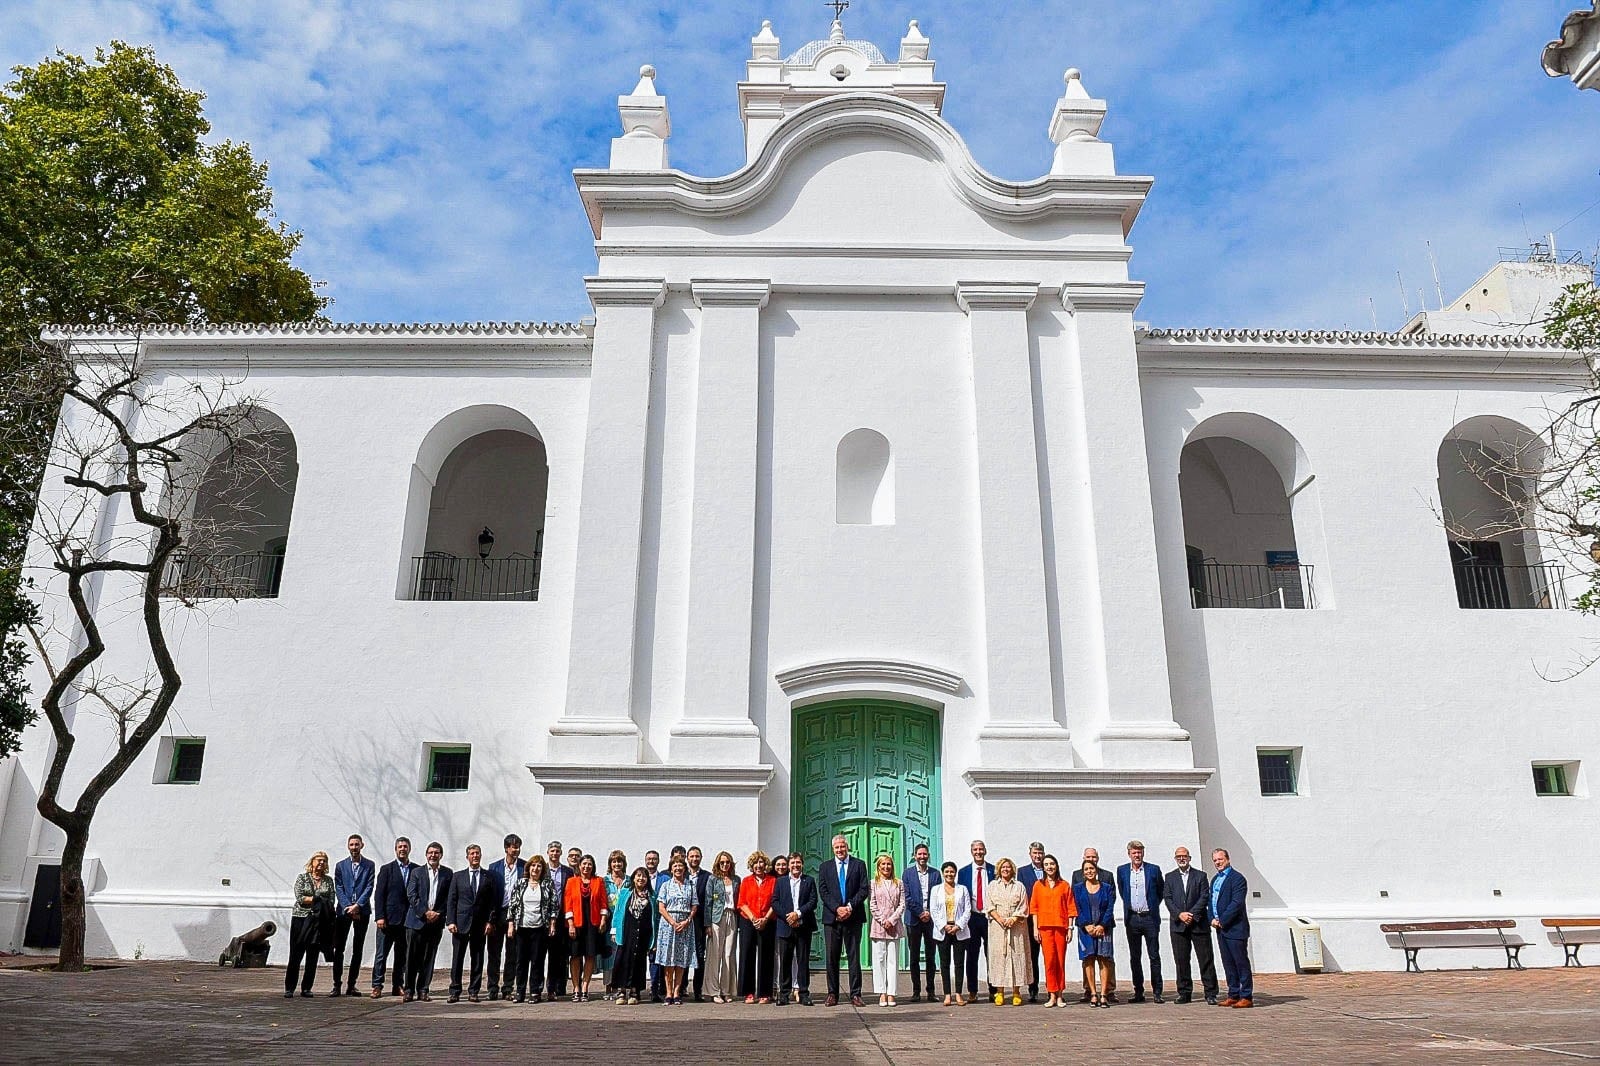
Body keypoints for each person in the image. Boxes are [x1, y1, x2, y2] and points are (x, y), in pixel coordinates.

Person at [818, 834, 869, 1007]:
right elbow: (823, 891)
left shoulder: (859, 865)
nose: (840, 850)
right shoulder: (825, 867)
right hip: (832, 919)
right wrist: (837, 908)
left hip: (853, 917)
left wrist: (848, 907)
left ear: (847, 847)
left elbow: (864, 889)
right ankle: (832, 993)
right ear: (833, 849)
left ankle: (856, 994)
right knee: (832, 958)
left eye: (842, 847)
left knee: (854, 957)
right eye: (837, 847)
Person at [1164, 846, 1218, 1005]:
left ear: (1189, 858)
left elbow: (1204, 896)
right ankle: (1184, 992)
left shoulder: (1200, 876)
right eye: (1178, 856)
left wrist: (1191, 914)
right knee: (1181, 961)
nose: (1182, 859)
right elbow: (1168, 898)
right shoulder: (1170, 877)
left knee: (1206, 959)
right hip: (1178, 925)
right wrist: (1180, 914)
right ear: (1175, 858)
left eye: (1184, 856)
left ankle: (1210, 992)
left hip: (1198, 924)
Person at [446, 843, 498, 1003]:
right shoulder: (458, 876)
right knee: (457, 959)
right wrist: (451, 921)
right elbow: (452, 900)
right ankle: (455, 990)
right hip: (460, 924)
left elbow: (492, 902)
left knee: (477, 959)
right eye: (472, 853)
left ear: (481, 855)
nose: (475, 856)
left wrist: (490, 921)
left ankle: (474, 991)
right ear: (467, 856)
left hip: (479, 925)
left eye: (478, 853)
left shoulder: (488, 877)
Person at [1116, 839, 1165, 1004]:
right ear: (1129, 853)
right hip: (1132, 919)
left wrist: (1150, 906)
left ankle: (1157, 991)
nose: (1137, 855)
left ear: (1143, 853)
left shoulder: (1153, 870)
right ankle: (1138, 991)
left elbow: (1160, 892)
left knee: (1154, 956)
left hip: (1149, 918)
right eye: (1134, 852)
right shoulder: (1122, 871)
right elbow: (1123, 892)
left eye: (1139, 852)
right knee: (1135, 957)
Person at [403, 841, 451, 1001]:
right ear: (426, 854)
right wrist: (425, 912)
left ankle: (423, 989)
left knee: (429, 957)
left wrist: (438, 913)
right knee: (411, 957)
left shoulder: (447, 874)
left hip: (435, 923)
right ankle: (409, 990)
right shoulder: (416, 872)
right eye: (430, 852)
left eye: (436, 852)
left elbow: (449, 898)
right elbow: (411, 895)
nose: (433, 855)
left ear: (441, 855)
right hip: (416, 922)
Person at [285, 850, 335, 998]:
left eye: (324, 861)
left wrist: (315, 900)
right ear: (312, 862)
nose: (321, 863)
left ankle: (306, 987)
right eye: (318, 860)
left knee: (312, 955)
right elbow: (300, 897)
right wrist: (319, 900)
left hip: (319, 922)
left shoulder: (328, 881)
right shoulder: (302, 878)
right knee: (296, 954)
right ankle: (289, 987)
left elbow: (331, 900)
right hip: (301, 919)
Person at [370, 836, 416, 999]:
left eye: (405, 846)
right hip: (387, 921)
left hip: (406, 921)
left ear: (409, 849)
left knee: (401, 956)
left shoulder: (416, 870)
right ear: (395, 850)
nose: (402, 849)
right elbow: (379, 894)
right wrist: (380, 916)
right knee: (381, 954)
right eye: (399, 847)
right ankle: (377, 985)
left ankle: (398, 985)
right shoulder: (386, 869)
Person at [1027, 854, 1075, 1008]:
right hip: (1045, 928)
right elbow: (1034, 908)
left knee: (1060, 961)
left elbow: (1071, 909)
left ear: (1056, 866)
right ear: (1043, 867)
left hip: (1061, 928)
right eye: (1046, 864)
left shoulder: (1064, 885)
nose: (1049, 867)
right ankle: (1052, 994)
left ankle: (1060, 995)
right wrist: (1035, 928)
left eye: (1052, 864)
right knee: (1049, 962)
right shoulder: (1038, 885)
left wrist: (1070, 928)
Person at [330, 834, 374, 997]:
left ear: (362, 845)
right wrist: (348, 906)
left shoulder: (369, 865)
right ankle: (336, 984)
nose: (354, 847)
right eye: (351, 845)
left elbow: (369, 887)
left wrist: (358, 906)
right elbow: (339, 887)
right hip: (343, 912)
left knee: (358, 949)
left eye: (357, 844)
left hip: (362, 911)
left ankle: (351, 985)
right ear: (348, 847)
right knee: (339, 949)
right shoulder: (341, 866)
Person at [1072, 847, 1118, 1003]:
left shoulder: (1107, 880)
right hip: (1086, 929)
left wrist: (1102, 925)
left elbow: (1111, 903)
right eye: (1088, 860)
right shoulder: (1077, 881)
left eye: (1093, 861)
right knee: (1088, 959)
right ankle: (1090, 992)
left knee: (1105, 959)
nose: (1090, 869)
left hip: (1104, 927)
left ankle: (1106, 993)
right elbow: (1076, 905)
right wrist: (1086, 925)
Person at [509, 853, 556, 1003]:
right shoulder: (520, 883)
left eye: (539, 866)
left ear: (543, 870)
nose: (535, 869)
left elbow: (554, 906)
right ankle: (520, 991)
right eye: (533, 866)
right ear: (528, 868)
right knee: (521, 961)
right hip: (522, 928)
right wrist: (511, 924)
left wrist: (552, 924)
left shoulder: (547, 884)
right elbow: (513, 905)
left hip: (540, 928)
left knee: (537, 960)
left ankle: (535, 991)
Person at [773, 850, 816, 1006]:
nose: (796, 865)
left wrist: (797, 914)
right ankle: (784, 993)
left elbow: (813, 901)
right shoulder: (781, 881)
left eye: (798, 862)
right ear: (789, 865)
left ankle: (804, 993)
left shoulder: (809, 880)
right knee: (785, 960)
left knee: (803, 960)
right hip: (785, 926)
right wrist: (788, 917)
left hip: (803, 925)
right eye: (793, 863)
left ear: (802, 864)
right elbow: (775, 902)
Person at [1210, 849, 1252, 1008]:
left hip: (1235, 928)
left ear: (1227, 859)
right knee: (1228, 963)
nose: (1217, 862)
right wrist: (1211, 919)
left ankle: (1246, 995)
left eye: (1220, 859)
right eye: (1215, 860)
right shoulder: (1215, 879)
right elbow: (1211, 902)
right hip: (1221, 929)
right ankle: (1233, 993)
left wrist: (1223, 920)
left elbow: (1236, 903)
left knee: (1240, 962)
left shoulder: (1237, 879)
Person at [985, 857, 1030, 1006]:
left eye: (1008, 867)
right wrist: (999, 919)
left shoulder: (1019, 886)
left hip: (1016, 927)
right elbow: (989, 905)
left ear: (1012, 869)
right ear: (998, 869)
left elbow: (1023, 906)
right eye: (1003, 867)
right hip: (998, 928)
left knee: (1016, 957)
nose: (1006, 869)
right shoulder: (992, 886)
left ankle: (1016, 991)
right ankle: (1000, 992)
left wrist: (1013, 918)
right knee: (999, 958)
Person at [564, 853, 609, 1001]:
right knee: (575, 955)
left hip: (592, 924)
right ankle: (576, 987)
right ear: (579, 865)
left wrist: (603, 920)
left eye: (589, 864)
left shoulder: (599, 881)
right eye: (584, 864)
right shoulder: (571, 881)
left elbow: (603, 903)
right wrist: (570, 923)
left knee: (590, 955)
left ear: (593, 866)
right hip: (576, 924)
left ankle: (585, 987)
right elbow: (568, 904)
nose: (586, 866)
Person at [655, 855, 699, 1004]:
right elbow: (661, 907)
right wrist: (673, 922)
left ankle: (676, 992)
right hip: (668, 924)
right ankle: (668, 992)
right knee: (669, 959)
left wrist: (687, 921)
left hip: (685, 925)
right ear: (671, 869)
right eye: (675, 866)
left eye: (680, 866)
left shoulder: (690, 886)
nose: (678, 868)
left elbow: (694, 906)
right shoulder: (666, 885)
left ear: (684, 869)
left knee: (681, 960)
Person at [486, 833, 525, 1001]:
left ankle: (508, 987)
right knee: (494, 953)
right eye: (512, 846)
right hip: (498, 913)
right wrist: (489, 918)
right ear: (506, 848)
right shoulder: (494, 867)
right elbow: (489, 893)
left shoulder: (524, 867)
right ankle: (492, 987)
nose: (515, 850)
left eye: (517, 847)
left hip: (515, 915)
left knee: (512, 953)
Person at [928, 861, 971, 1006]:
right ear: (942, 873)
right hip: (943, 931)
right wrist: (943, 926)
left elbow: (967, 910)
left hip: (959, 930)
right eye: (946, 872)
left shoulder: (963, 889)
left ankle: (958, 994)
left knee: (959, 963)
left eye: (952, 872)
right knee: (944, 964)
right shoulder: (936, 890)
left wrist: (958, 926)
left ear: (955, 873)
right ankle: (947, 994)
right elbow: (933, 910)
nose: (949, 874)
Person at [736, 849, 777, 1003]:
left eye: (761, 862)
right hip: (748, 920)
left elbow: (775, 901)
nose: (758, 866)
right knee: (747, 954)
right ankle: (748, 992)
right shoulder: (746, 881)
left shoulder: (773, 881)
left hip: (767, 920)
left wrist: (765, 918)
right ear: (751, 866)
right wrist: (753, 918)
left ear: (765, 865)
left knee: (766, 956)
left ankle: (765, 993)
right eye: (755, 863)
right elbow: (742, 902)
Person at [958, 839, 995, 1001]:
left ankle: (994, 990)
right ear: (971, 852)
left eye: (981, 849)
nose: (978, 852)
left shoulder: (994, 870)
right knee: (971, 955)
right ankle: (972, 991)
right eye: (975, 850)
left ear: (985, 851)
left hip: (990, 918)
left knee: (992, 955)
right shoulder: (964, 872)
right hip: (972, 918)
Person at [612, 867, 656, 1004]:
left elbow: (655, 917)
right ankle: (621, 991)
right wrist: (614, 931)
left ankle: (634, 991)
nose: (641, 879)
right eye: (638, 876)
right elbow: (617, 912)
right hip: (626, 931)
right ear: (633, 878)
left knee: (639, 961)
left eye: (644, 876)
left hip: (643, 933)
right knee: (622, 959)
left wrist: (654, 939)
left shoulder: (652, 896)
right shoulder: (625, 893)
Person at [901, 843, 937, 1003]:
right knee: (914, 957)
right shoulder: (907, 874)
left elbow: (938, 896)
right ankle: (916, 991)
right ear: (914, 856)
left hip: (931, 921)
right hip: (913, 920)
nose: (922, 857)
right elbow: (906, 897)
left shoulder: (936, 874)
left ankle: (931, 991)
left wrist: (929, 912)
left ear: (928, 855)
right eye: (919, 854)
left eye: (925, 854)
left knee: (930, 957)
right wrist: (920, 912)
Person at [867, 853, 905, 1007]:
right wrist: (883, 920)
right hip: (879, 926)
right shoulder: (873, 883)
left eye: (888, 864)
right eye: (883, 864)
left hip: (894, 926)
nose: (886, 867)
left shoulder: (899, 883)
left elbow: (902, 904)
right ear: (878, 867)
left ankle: (891, 993)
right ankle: (882, 992)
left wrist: (892, 920)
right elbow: (872, 905)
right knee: (879, 960)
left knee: (892, 961)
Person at [705, 850, 741, 1003]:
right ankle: (714, 991)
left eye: (727, 862)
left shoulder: (736, 879)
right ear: (718, 864)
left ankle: (727, 990)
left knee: (728, 954)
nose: (725, 865)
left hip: (731, 916)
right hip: (716, 918)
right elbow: (708, 902)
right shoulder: (713, 879)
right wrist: (707, 924)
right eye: (722, 862)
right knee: (715, 955)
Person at [1016, 840, 1048, 1003]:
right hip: (1030, 920)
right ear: (1030, 854)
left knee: (1050, 957)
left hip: (1048, 919)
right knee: (1032, 956)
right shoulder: (1022, 872)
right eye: (1035, 853)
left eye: (1040, 853)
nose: (1038, 856)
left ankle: (1053, 989)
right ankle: (1033, 989)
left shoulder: (1050, 868)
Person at [545, 840, 573, 999]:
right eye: (552, 851)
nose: (555, 853)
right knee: (549, 954)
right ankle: (550, 987)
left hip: (563, 917)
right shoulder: (542, 870)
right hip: (545, 918)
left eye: (557, 851)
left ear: (561, 853)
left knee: (562, 955)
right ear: (548, 853)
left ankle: (561, 986)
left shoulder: (568, 872)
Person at [685, 846, 712, 1002]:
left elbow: (708, 902)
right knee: (682, 954)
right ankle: (681, 988)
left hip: (699, 922)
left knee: (699, 956)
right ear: (687, 858)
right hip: (683, 920)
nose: (694, 859)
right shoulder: (681, 874)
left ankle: (697, 990)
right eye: (692, 856)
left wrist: (707, 923)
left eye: (697, 856)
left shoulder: (707, 877)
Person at [603, 849, 629, 999]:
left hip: (624, 924)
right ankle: (608, 987)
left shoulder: (629, 881)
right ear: (610, 864)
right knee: (609, 956)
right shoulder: (604, 881)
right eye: (614, 861)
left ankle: (621, 986)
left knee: (622, 955)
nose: (617, 864)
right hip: (608, 923)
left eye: (619, 861)